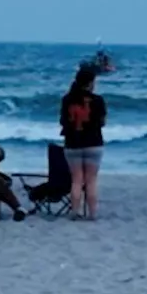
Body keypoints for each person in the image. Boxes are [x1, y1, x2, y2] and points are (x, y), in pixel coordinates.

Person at [60, 65, 107, 220]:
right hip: (94, 143)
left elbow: (62, 121)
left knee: (76, 179)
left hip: (73, 143)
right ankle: (92, 213)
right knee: (91, 180)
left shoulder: (67, 99)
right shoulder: (98, 100)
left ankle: (75, 211)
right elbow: (102, 122)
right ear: (89, 83)